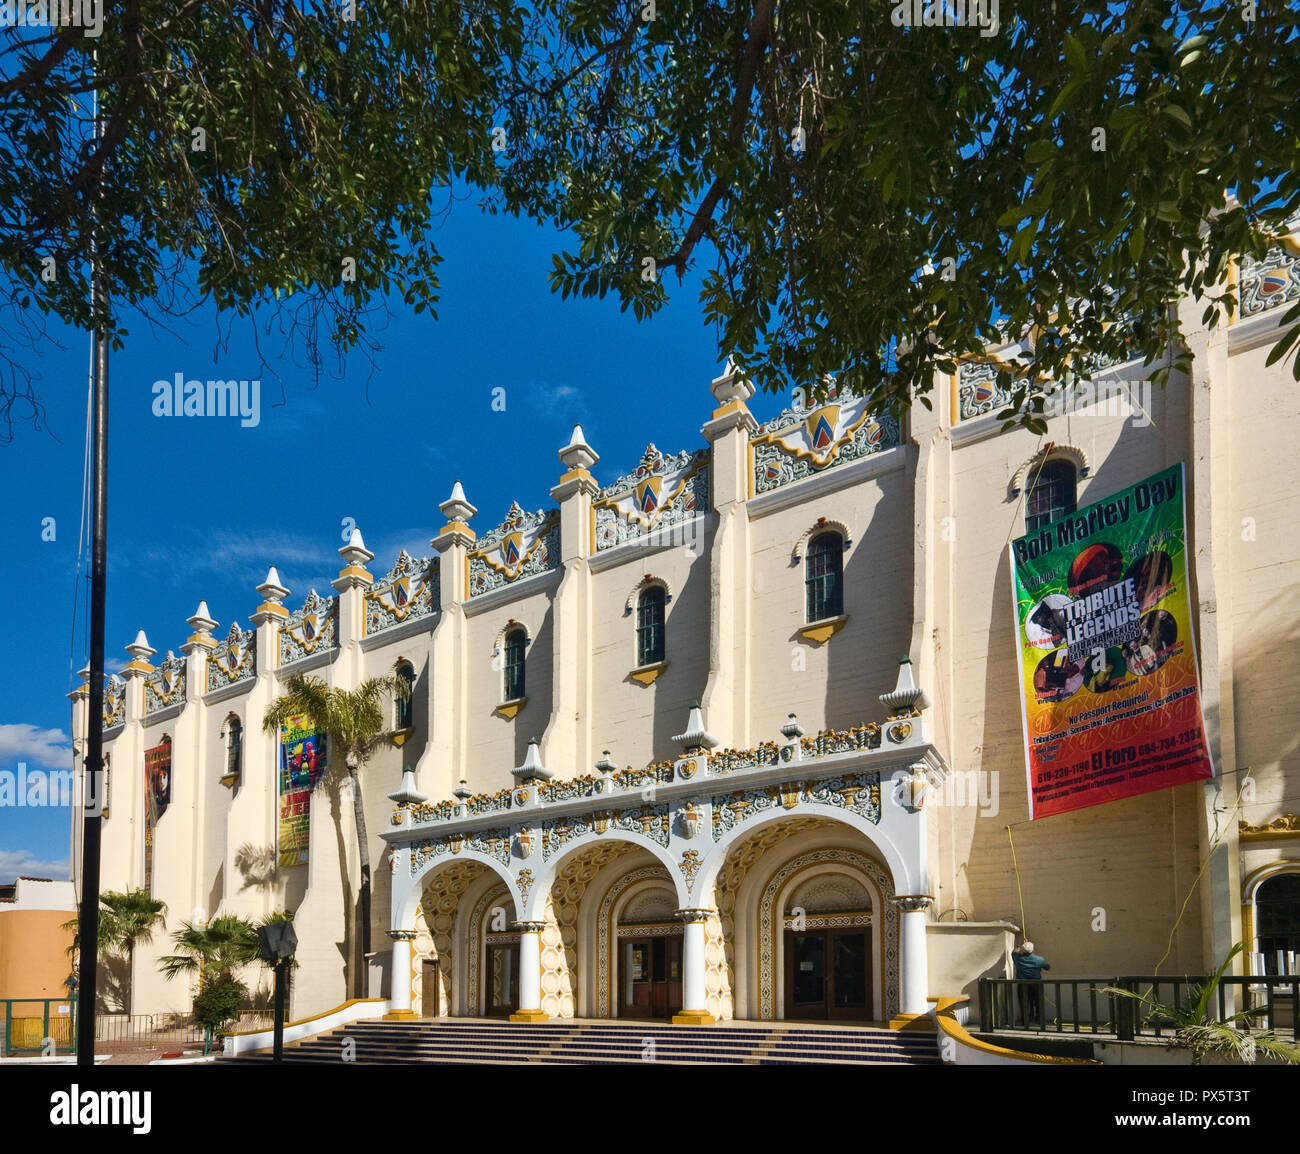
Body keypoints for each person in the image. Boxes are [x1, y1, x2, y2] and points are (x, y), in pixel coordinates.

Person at [1013, 940, 1051, 1027]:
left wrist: (1020, 945)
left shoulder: (1017, 958)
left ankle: (1025, 1021)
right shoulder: (1039, 959)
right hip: (1036, 984)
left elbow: (1014, 952)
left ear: (1023, 949)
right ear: (1032, 950)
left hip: (1022, 984)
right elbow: (1047, 967)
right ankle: (1039, 1020)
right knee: (1038, 1002)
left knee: (1023, 1002)